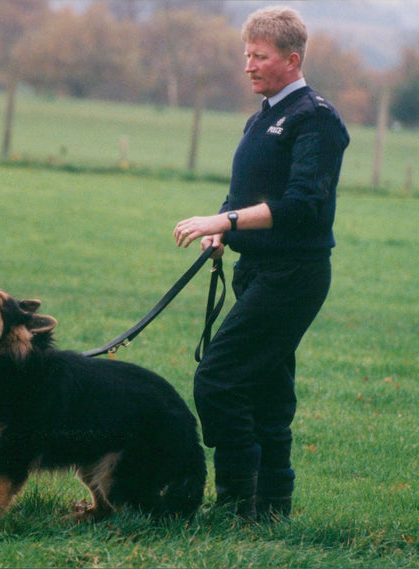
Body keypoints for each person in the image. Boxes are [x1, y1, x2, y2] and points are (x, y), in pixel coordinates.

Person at [173, 6, 349, 521]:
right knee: (269, 392)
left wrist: (223, 222)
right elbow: (246, 191)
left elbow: (304, 205)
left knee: (218, 380)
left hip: (294, 274)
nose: (248, 65)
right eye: (246, 54)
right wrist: (225, 233)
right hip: (258, 271)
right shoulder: (263, 115)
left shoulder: (315, 118)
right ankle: (272, 508)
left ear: (292, 60)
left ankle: (235, 504)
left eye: (260, 56)